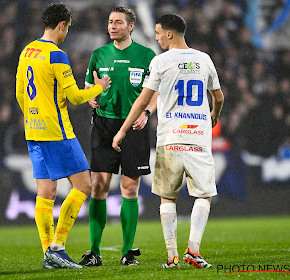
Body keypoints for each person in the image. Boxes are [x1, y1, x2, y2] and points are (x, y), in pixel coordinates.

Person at [112, 13, 224, 268]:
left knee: (167, 197)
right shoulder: (204, 60)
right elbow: (218, 97)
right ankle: (193, 251)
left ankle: (172, 257)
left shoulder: (161, 62)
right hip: (198, 138)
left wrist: (122, 130)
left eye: (158, 32)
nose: (156, 36)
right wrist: (214, 115)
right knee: (203, 196)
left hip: (170, 139)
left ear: (169, 34)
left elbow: (142, 100)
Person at [15, 3, 110, 269]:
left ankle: (48, 253)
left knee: (46, 191)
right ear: (61, 25)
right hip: (57, 133)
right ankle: (57, 247)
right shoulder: (56, 55)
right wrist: (98, 88)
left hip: (32, 130)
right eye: (67, 27)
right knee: (83, 185)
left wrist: (34, 117)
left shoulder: (27, 51)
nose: (66, 32)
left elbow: (20, 95)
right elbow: (74, 97)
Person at [79, 7, 157, 267]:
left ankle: (127, 252)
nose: (112, 26)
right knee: (99, 187)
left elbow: (155, 92)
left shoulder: (146, 55)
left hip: (134, 126)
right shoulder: (99, 55)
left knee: (130, 188)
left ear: (131, 26)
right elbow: (89, 85)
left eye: (118, 22)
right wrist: (91, 95)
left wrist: (146, 111)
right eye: (110, 22)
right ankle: (94, 252)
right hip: (104, 124)